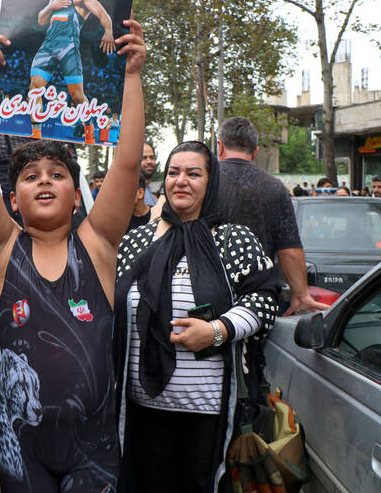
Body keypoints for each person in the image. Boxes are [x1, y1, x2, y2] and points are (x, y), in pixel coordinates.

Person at [0, 17, 145, 492]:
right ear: (13, 199)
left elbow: (126, 160)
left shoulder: (98, 244)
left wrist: (132, 77)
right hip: (23, 449)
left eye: (57, 174)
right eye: (30, 176)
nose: (44, 179)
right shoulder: (2, 249)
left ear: (79, 196)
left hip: (95, 448)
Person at [114, 140, 279, 493]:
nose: (181, 181)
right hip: (142, 412)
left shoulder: (233, 240)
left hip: (208, 415)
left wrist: (217, 331)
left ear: (212, 181)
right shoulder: (135, 243)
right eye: (173, 173)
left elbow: (265, 299)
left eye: (193, 173)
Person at [215, 117, 328, 317]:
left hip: (205, 293)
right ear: (255, 150)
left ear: (220, 146)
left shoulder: (203, 182)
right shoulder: (275, 188)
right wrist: (300, 294)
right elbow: (288, 248)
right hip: (257, 301)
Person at [28, 0, 115, 143]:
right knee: (35, 89)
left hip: (68, 47)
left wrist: (108, 31)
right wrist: (52, 5)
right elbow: (41, 20)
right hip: (48, 46)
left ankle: (89, 129)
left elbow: (100, 12)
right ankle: (36, 133)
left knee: (77, 95)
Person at [140, 142, 158, 206]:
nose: (149, 161)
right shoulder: (132, 192)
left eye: (152, 157)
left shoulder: (150, 190)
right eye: (144, 158)